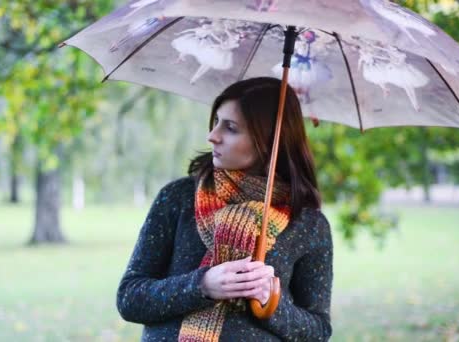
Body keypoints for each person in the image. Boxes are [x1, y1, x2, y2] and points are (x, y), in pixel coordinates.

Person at [117, 77, 333, 341]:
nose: (212, 136)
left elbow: (318, 331)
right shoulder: (178, 198)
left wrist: (272, 303)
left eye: (230, 128)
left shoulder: (308, 223)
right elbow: (130, 297)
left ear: (268, 139)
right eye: (216, 121)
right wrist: (202, 285)